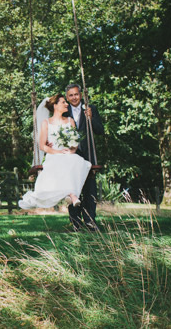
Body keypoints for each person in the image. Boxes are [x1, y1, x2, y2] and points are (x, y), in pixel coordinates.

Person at [19, 94, 92, 210]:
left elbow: (75, 142)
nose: (67, 104)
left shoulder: (70, 121)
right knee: (62, 163)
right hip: (54, 154)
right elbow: (42, 146)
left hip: (69, 154)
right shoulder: (46, 123)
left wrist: (72, 150)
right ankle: (72, 195)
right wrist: (57, 152)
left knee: (77, 161)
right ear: (55, 106)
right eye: (63, 102)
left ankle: (70, 194)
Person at [65, 83, 104, 231]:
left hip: (88, 155)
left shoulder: (90, 108)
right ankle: (75, 222)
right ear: (67, 98)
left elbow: (100, 130)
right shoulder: (64, 111)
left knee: (89, 189)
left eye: (76, 94)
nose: (74, 97)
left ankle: (90, 221)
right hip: (71, 156)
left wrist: (91, 118)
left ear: (80, 95)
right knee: (73, 189)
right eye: (71, 95)